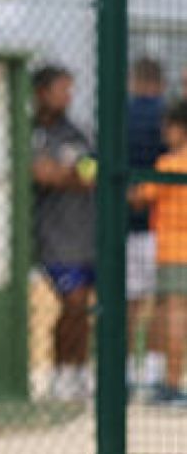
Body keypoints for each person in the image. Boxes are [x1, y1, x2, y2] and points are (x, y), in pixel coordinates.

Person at [31, 64, 97, 401]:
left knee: (83, 307)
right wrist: (69, 175)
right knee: (72, 302)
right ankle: (60, 371)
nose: (68, 97)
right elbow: (41, 173)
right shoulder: (31, 130)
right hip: (55, 238)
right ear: (42, 92)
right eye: (62, 89)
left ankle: (78, 371)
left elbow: (90, 172)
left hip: (85, 236)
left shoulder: (78, 132)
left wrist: (66, 175)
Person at [131, 101, 187, 405]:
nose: (165, 133)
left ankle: (171, 383)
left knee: (174, 314)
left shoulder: (170, 163)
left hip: (174, 248)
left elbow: (141, 198)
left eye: (169, 127)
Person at [126, 57, 167, 394]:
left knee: (129, 301)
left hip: (122, 222)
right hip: (161, 224)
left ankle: (126, 373)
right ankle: (154, 373)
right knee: (159, 301)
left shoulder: (119, 113)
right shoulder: (166, 117)